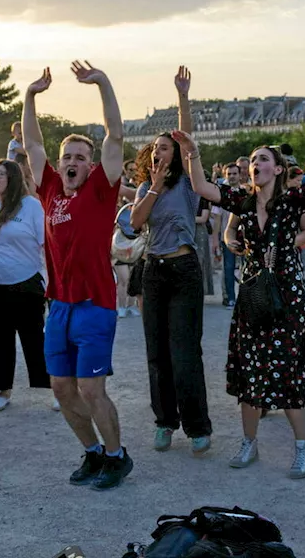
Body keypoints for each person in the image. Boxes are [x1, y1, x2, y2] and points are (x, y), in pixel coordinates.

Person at [174, 96, 305, 480]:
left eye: (263, 159)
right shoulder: (243, 202)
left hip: (287, 296)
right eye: (252, 160)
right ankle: (249, 441)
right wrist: (194, 151)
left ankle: (303, 446)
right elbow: (199, 184)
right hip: (252, 295)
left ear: (278, 169)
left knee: (286, 373)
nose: (255, 164)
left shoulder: (290, 200)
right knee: (250, 371)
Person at [22, 62, 133, 491]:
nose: (71, 162)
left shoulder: (102, 189)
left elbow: (116, 136)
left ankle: (116, 456)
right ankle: (92, 452)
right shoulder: (49, 187)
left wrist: (103, 82)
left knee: (90, 389)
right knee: (61, 387)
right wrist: (31, 96)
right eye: (66, 156)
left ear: (91, 166)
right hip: (60, 305)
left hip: (94, 306)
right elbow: (32, 142)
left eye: (79, 157)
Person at [128, 67, 213, 456]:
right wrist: (154, 188)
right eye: (156, 148)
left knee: (184, 352)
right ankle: (165, 421)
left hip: (183, 269)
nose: (161, 150)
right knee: (156, 352)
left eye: (167, 147)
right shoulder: (149, 187)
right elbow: (135, 222)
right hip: (153, 271)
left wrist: (182, 97)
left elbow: (187, 139)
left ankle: (196, 426)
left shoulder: (188, 182)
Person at [0, 159, 51, 412]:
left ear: (14, 178)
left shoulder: (31, 206)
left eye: (1, 174)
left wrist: (53, 281)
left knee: (34, 338)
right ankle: (3, 390)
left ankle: (53, 389)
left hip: (26, 281)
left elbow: (46, 246)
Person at [219, 163, 244, 307]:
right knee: (228, 268)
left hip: (245, 236)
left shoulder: (246, 191)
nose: (232, 176)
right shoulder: (221, 193)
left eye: (235, 173)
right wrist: (218, 238)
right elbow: (216, 218)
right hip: (226, 236)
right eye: (229, 174)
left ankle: (245, 296)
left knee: (245, 268)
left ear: (240, 175)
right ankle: (230, 297)